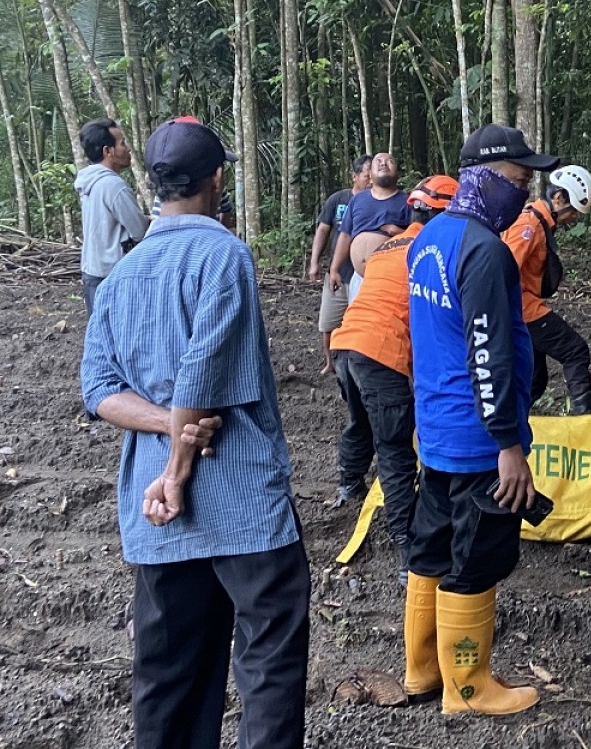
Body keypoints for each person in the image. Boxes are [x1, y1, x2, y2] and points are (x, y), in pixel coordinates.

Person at [80, 117, 309, 748]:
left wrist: (159, 427)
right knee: (267, 664)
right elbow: (202, 378)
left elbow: (98, 391)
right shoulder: (224, 254)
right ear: (215, 179)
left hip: (155, 522)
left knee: (169, 674)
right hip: (237, 504)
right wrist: (177, 468)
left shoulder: (122, 275)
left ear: (153, 183)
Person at [403, 123, 558, 717]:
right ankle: (468, 688)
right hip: (478, 440)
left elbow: (430, 338)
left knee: (431, 547)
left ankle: (421, 672)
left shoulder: (430, 238)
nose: (523, 195)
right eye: (518, 181)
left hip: (439, 428)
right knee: (477, 558)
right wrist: (509, 444)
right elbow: (487, 352)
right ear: (486, 180)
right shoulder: (484, 251)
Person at [330, 176, 457, 577]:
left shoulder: (391, 245)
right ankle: (408, 549)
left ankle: (348, 484)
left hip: (345, 345)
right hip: (380, 351)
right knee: (396, 451)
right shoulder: (434, 251)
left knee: (361, 421)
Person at [502, 165, 591, 414]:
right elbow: (503, 270)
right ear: (558, 199)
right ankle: (587, 418)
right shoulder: (529, 226)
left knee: (535, 379)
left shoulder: (536, 222)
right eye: (573, 211)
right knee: (575, 350)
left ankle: (513, 421)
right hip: (524, 310)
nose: (574, 218)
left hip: (522, 308)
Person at [76, 118, 149, 315]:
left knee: (99, 335)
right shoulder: (113, 185)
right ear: (108, 151)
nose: (127, 149)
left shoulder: (88, 181)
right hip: (112, 273)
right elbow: (140, 231)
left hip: (92, 270)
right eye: (122, 143)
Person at [309, 155, 372, 374]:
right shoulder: (338, 200)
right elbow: (323, 230)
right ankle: (330, 363)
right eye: (366, 175)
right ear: (354, 177)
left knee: (362, 323)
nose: (371, 180)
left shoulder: (376, 202)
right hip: (337, 272)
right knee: (328, 323)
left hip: (365, 274)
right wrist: (314, 262)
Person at [329, 152, 409, 302]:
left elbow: (419, 238)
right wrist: (334, 269)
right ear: (370, 174)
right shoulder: (358, 200)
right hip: (359, 277)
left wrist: (397, 231)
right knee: (358, 321)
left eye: (389, 161)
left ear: (397, 173)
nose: (383, 163)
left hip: (390, 280)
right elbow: (345, 235)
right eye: (378, 161)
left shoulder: (407, 202)